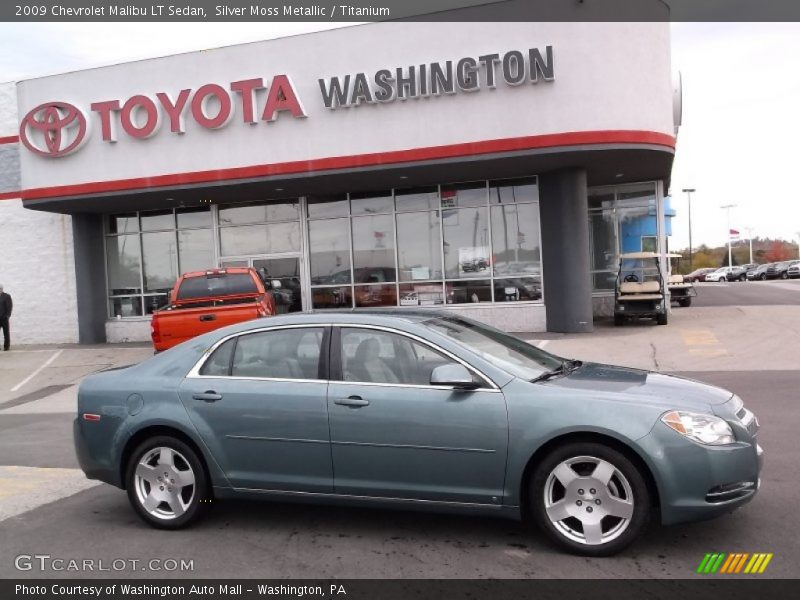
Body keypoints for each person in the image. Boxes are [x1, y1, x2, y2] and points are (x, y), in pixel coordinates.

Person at [0, 284, 11, 351]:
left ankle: (6, 347)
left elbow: (9, 307)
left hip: (4, 318)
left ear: (1, 289)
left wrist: (7, 316)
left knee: (6, 333)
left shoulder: (6, 296)